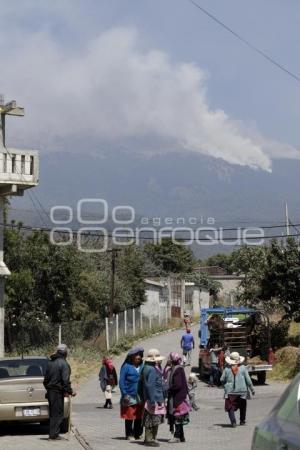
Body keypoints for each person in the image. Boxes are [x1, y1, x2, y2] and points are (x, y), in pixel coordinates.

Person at [43, 344, 76, 441]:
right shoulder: (64, 364)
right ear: (65, 353)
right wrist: (69, 391)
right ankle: (53, 435)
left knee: (53, 413)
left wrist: (49, 389)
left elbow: (45, 380)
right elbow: (65, 381)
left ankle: (53, 434)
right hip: (57, 392)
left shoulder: (50, 363)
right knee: (58, 414)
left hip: (51, 392)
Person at [220, 351, 255, 428]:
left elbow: (222, 379)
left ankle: (233, 422)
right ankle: (242, 421)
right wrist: (252, 389)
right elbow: (248, 380)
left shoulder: (226, 369)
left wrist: (225, 384)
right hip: (242, 391)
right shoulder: (243, 368)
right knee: (243, 405)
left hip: (230, 392)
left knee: (230, 407)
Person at [140, 349, 166, 448]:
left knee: (153, 418)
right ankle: (149, 439)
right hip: (154, 398)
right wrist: (152, 400)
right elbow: (150, 385)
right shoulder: (151, 369)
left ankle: (151, 438)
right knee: (152, 419)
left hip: (153, 397)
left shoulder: (146, 367)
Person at [119, 347, 144, 441]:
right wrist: (124, 394)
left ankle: (137, 433)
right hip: (129, 394)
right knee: (129, 416)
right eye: (136, 355)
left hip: (140, 395)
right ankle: (129, 434)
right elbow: (121, 381)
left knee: (139, 415)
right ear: (132, 357)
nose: (138, 357)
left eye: (140, 355)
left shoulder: (142, 366)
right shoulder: (126, 366)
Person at [167, 352, 191, 444]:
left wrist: (169, 389)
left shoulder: (177, 370)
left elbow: (177, 385)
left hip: (178, 398)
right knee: (180, 417)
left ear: (172, 360)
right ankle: (181, 436)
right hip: (181, 397)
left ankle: (177, 436)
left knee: (177, 416)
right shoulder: (179, 368)